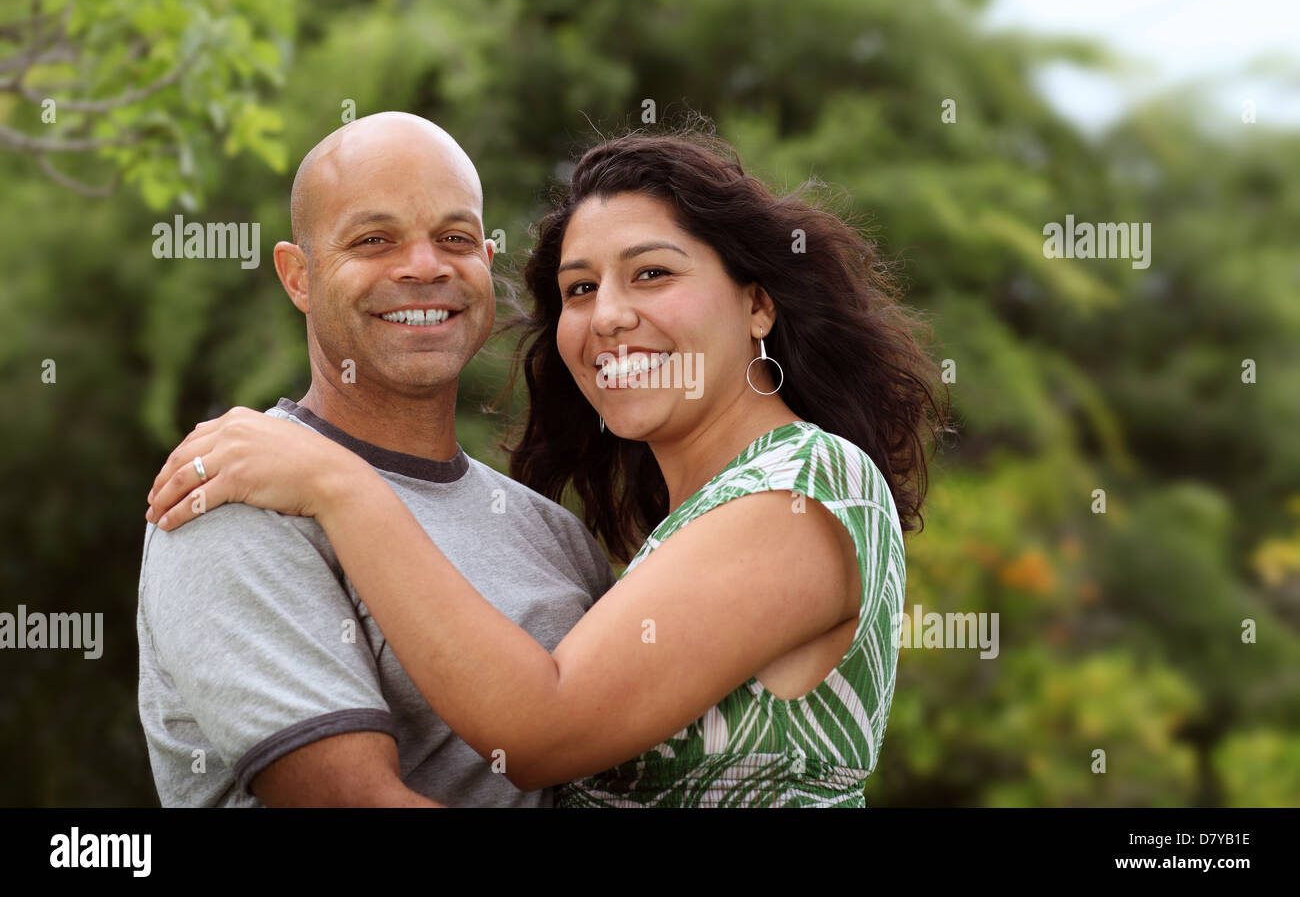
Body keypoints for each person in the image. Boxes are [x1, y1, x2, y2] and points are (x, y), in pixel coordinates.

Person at [146, 128, 947, 807]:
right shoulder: (239, 494)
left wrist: (339, 485)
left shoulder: (803, 490)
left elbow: (542, 726)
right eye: (580, 288)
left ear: (757, 302)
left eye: (653, 273)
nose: (610, 317)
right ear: (296, 273)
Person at [135, 112, 614, 807]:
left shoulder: (555, 537)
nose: (424, 266)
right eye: (373, 240)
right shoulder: (235, 500)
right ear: (298, 277)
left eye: (455, 238)